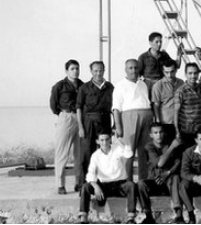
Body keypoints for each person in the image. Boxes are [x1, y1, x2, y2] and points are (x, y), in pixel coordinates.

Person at [78, 132, 138, 224]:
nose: (105, 142)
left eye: (107, 139)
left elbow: (129, 154)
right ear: (97, 141)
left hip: (119, 185)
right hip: (104, 187)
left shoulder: (117, 149)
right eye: (102, 140)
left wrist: (119, 142)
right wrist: (96, 187)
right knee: (85, 187)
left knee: (131, 185)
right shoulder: (95, 155)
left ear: (110, 140)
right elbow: (90, 175)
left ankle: (131, 218)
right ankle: (83, 218)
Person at [113, 59, 154, 180]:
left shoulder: (143, 84)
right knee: (128, 151)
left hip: (146, 117)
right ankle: (128, 182)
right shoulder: (120, 85)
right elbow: (116, 108)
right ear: (125, 70)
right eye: (130, 68)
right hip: (129, 118)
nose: (134, 70)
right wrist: (119, 127)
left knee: (144, 151)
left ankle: (143, 181)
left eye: (136, 68)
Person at [77, 61, 114, 187]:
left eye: (100, 70)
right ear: (91, 72)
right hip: (89, 122)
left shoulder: (110, 87)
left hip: (105, 122)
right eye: (95, 71)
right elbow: (79, 108)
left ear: (104, 71)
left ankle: (103, 182)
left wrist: (114, 125)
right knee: (87, 152)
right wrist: (81, 127)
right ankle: (84, 184)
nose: (98, 73)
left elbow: (115, 107)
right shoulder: (84, 88)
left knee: (105, 152)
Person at [138, 123, 183, 224]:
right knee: (141, 183)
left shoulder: (168, 143)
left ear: (164, 133)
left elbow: (177, 163)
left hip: (168, 181)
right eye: (155, 133)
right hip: (154, 180)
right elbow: (160, 163)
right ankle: (148, 215)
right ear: (151, 135)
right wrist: (171, 147)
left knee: (175, 177)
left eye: (161, 132)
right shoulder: (149, 146)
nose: (158, 135)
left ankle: (179, 214)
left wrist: (167, 173)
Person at [50, 59, 84, 194]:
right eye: (72, 69)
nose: (75, 71)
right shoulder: (59, 86)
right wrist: (64, 115)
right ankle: (60, 184)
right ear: (66, 71)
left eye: (77, 68)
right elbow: (53, 105)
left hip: (80, 118)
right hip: (66, 117)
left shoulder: (82, 85)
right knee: (62, 152)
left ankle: (78, 183)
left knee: (80, 153)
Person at [174, 63, 201, 146]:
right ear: (185, 74)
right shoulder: (181, 91)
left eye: (195, 73)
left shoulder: (200, 88)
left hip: (199, 129)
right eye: (190, 73)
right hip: (186, 131)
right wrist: (177, 131)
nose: (193, 76)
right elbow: (176, 112)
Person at [152, 59, 184, 142]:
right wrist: (158, 122)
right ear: (163, 71)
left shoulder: (181, 83)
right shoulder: (158, 85)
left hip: (181, 122)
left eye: (172, 71)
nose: (169, 75)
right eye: (166, 72)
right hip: (166, 123)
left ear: (176, 70)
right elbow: (156, 105)